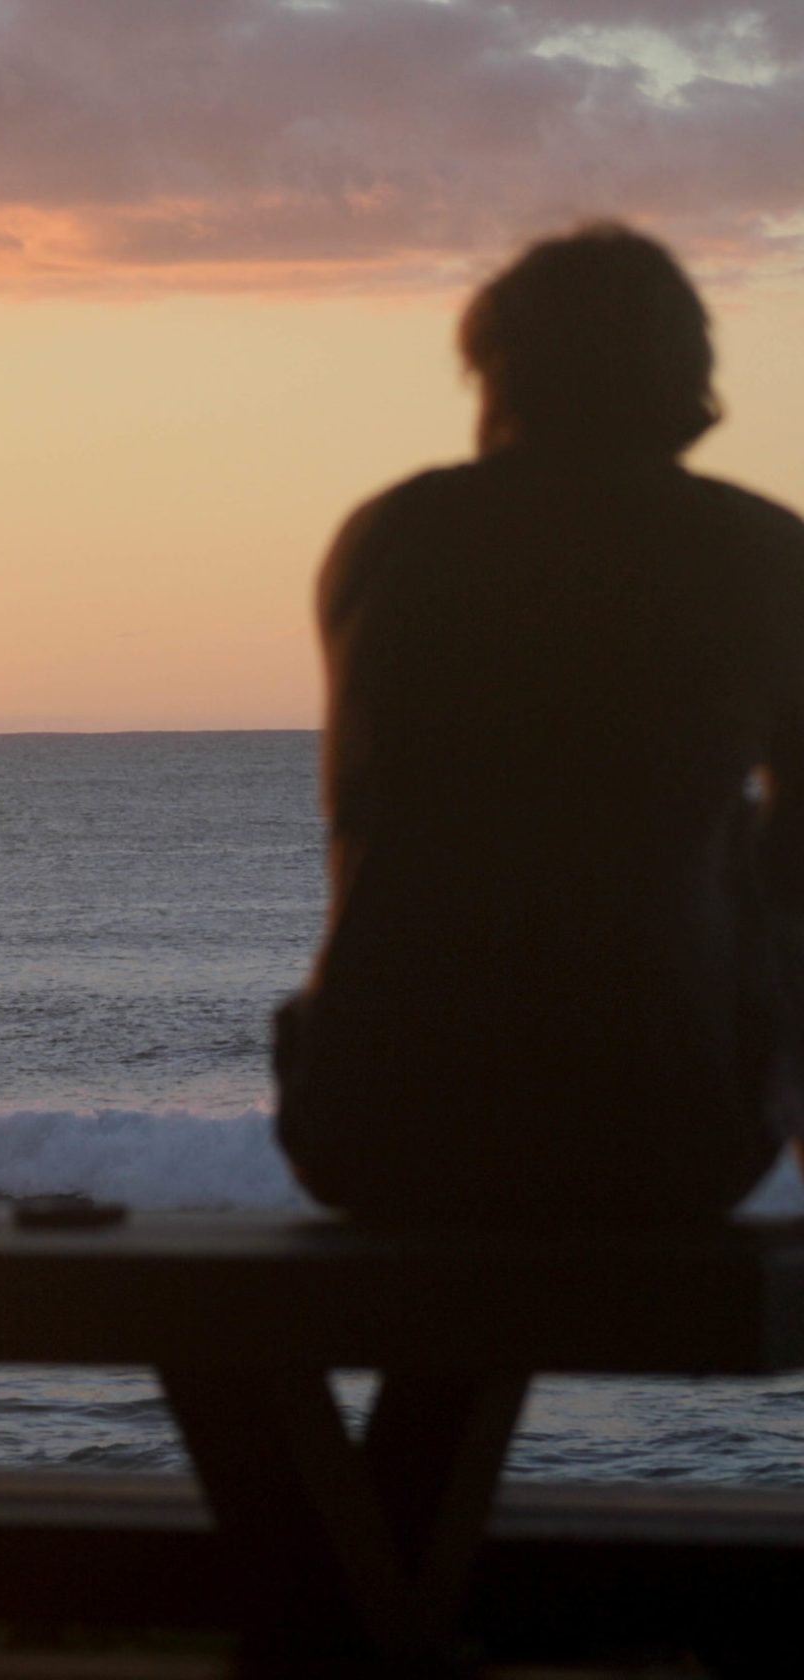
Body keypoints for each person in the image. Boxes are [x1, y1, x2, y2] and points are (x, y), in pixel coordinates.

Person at [275, 223, 804, 1225]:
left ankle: (439, 1392)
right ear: (683, 382)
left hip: (366, 1132)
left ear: (498, 378)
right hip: (662, 1148)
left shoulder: (387, 536)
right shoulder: (762, 553)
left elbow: (364, 813)